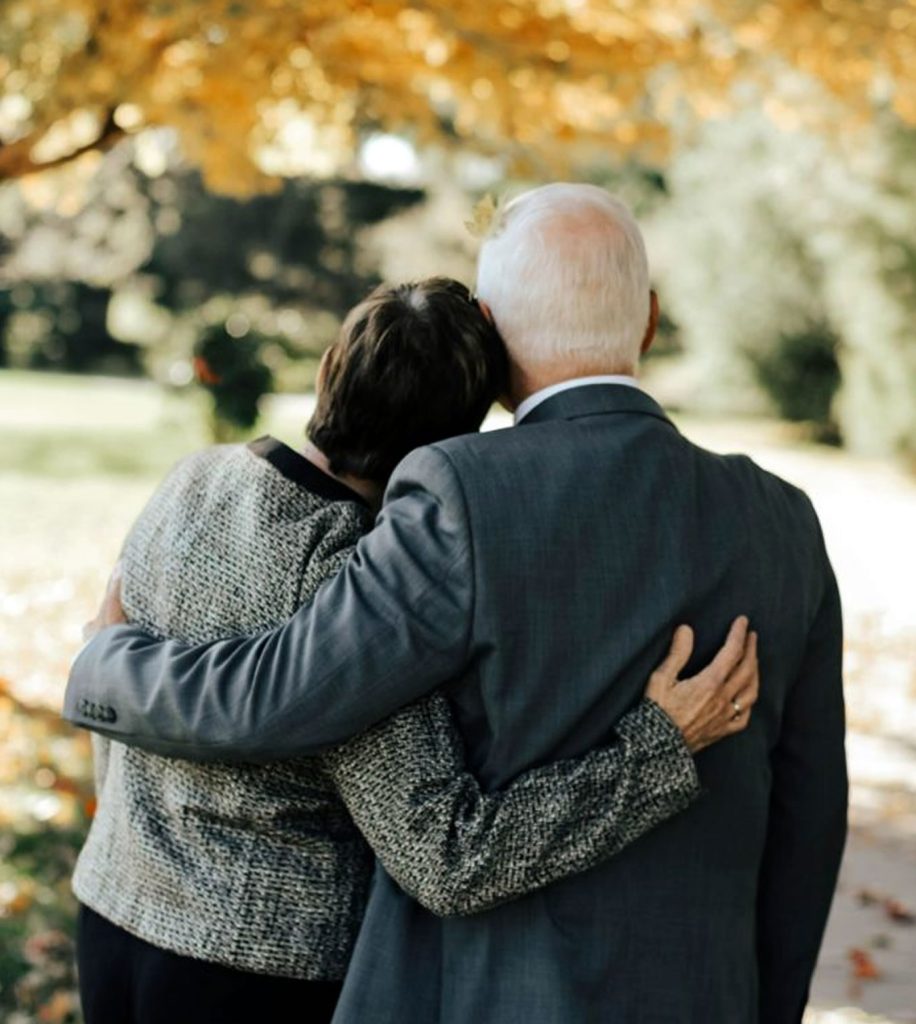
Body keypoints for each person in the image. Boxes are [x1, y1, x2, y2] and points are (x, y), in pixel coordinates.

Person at [66, 184, 847, 1024]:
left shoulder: (450, 499)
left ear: (496, 329)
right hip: (708, 993)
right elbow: (810, 809)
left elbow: (281, 696)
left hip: (479, 995)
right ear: (649, 320)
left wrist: (105, 662)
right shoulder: (784, 518)